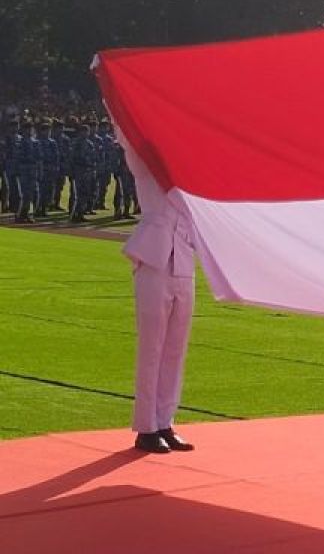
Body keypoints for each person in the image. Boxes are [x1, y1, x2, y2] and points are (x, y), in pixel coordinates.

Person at [124, 154, 199, 455]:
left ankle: (165, 421)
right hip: (154, 260)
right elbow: (129, 138)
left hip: (183, 261)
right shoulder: (147, 164)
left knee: (175, 350)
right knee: (152, 348)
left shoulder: (192, 172)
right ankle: (146, 428)